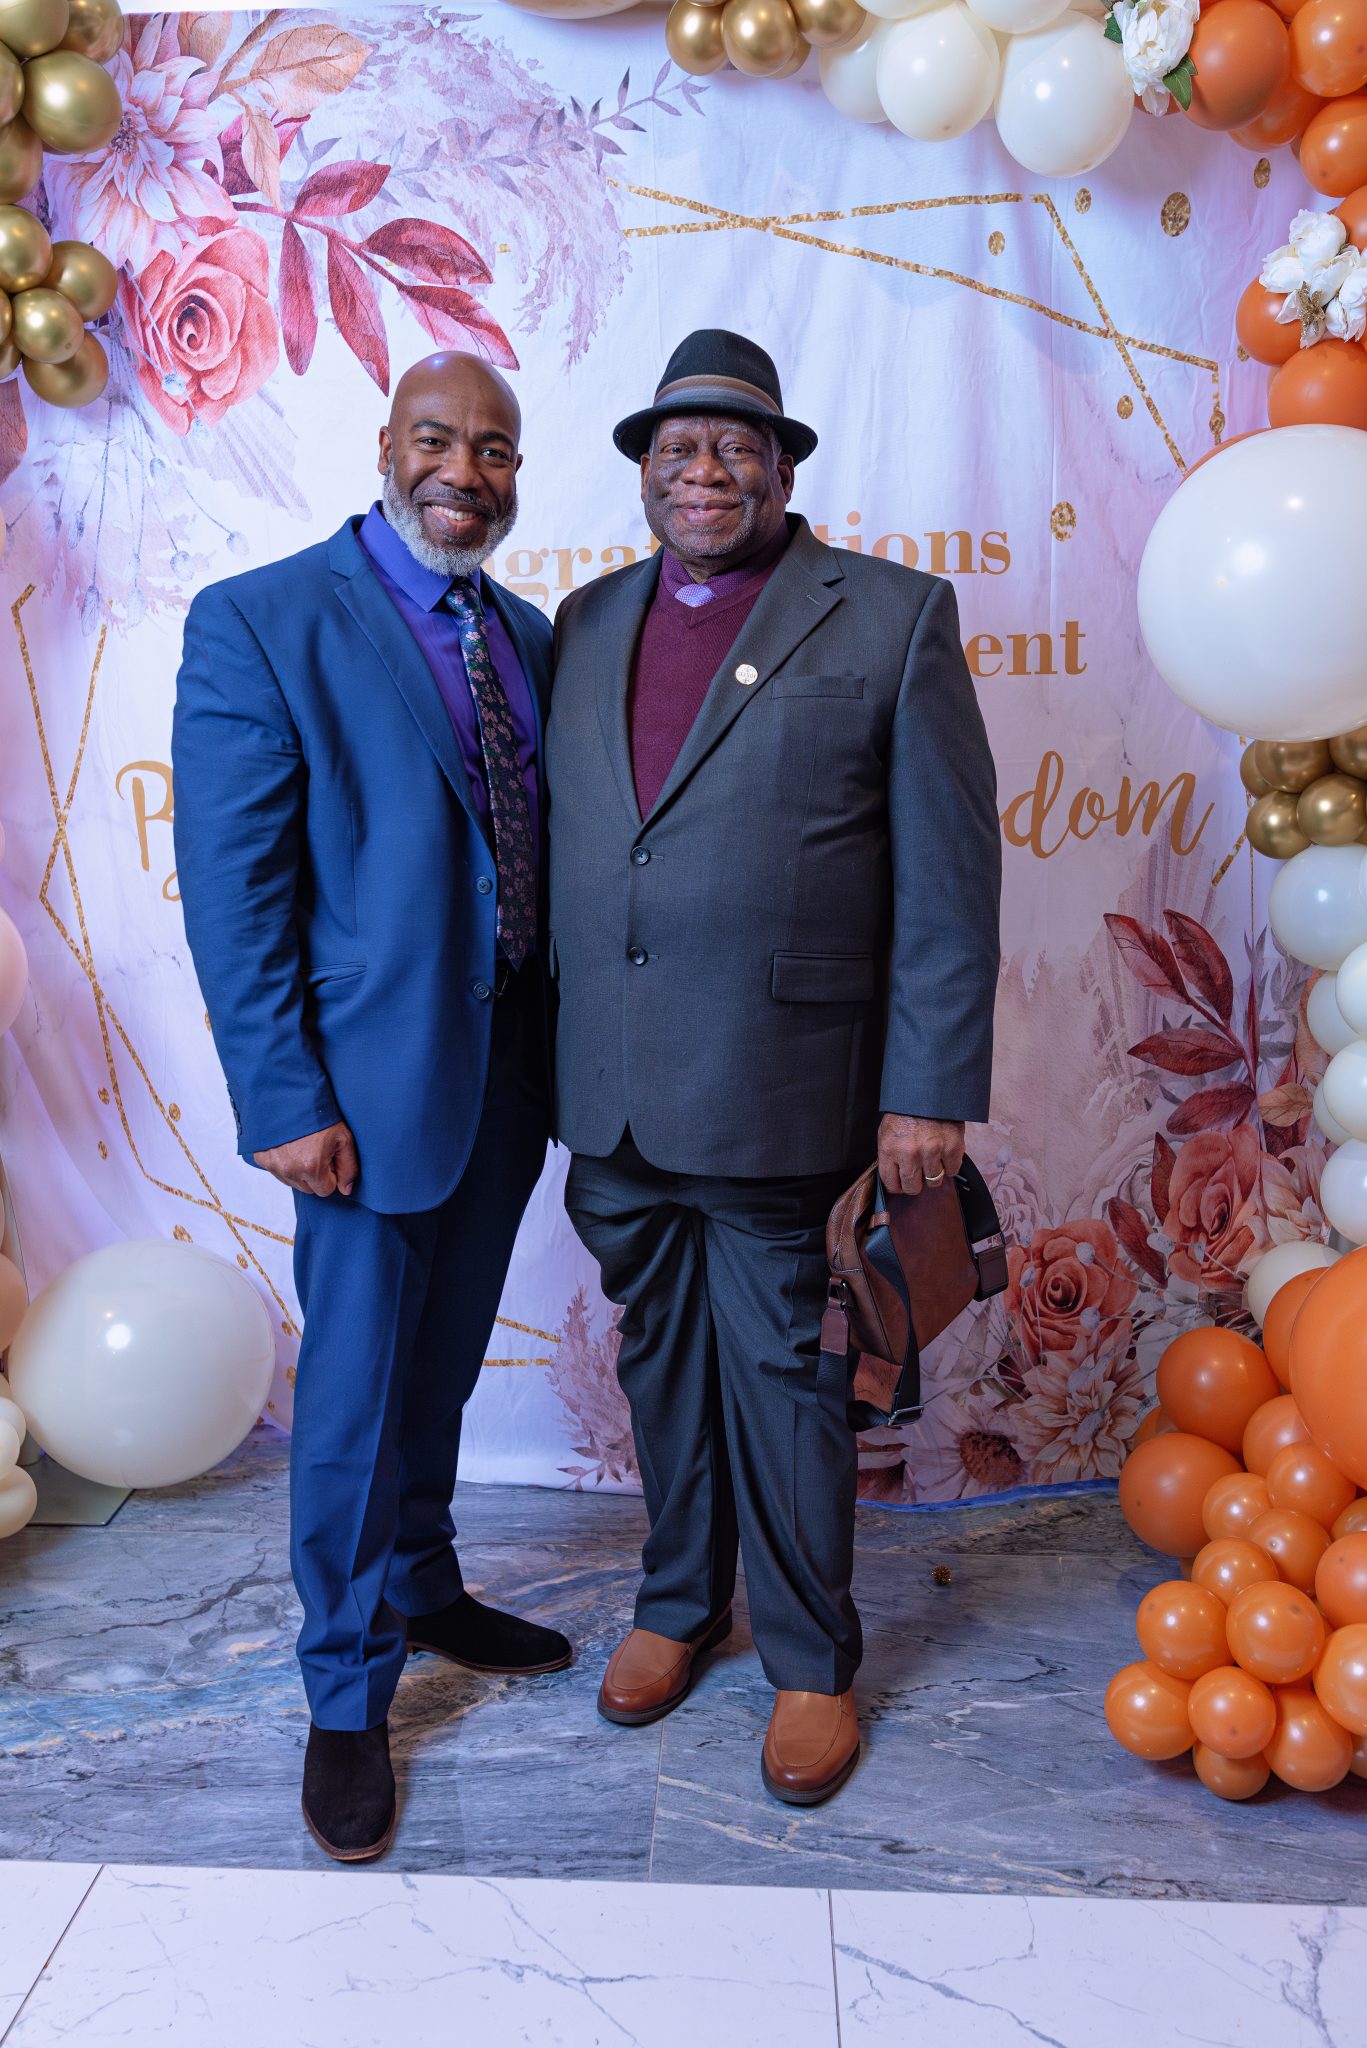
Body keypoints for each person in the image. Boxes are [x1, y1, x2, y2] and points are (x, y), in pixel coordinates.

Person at [547, 329, 1001, 1806]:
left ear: (784, 469)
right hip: (611, 1093)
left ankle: (810, 1660)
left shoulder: (892, 617)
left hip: (783, 1088)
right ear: (643, 471)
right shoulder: (585, 620)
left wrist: (930, 1087)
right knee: (661, 1361)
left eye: (734, 445)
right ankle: (680, 1604)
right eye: (676, 446)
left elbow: (950, 880)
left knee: (790, 1381)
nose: (704, 470)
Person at [173, 351, 569, 1864]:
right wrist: (283, 1096)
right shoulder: (262, 621)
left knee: (443, 1368)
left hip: (508, 1078)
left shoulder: (527, 636)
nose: (465, 471)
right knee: (349, 1399)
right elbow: (235, 890)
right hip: (355, 1093)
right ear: (386, 445)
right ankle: (346, 1694)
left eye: (495, 449)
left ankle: (424, 1583)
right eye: (438, 439)